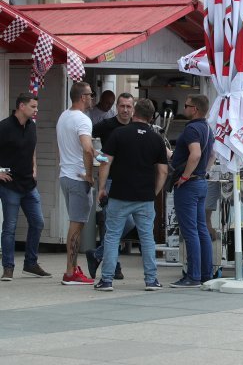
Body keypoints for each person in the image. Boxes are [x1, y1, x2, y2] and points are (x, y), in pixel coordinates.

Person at [93, 99, 168, 292]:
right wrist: (154, 192)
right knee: (147, 238)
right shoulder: (157, 139)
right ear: (151, 117)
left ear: (134, 111)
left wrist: (102, 187)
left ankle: (107, 280)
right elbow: (163, 172)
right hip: (145, 196)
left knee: (112, 237)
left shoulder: (119, 134)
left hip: (119, 194)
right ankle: (151, 280)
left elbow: (105, 162)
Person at [0, 93, 50, 280]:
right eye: (33, 107)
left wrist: (34, 167)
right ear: (21, 106)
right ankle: (8, 267)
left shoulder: (31, 127)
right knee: (10, 227)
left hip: (29, 184)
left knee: (38, 222)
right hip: (10, 184)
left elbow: (32, 148)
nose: (36, 110)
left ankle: (30, 263)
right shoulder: (4, 127)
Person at [86, 92, 136, 280]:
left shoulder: (135, 126)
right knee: (112, 224)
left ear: (133, 108)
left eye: (128, 106)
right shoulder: (107, 125)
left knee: (127, 223)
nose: (125, 110)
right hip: (109, 180)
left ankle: (98, 254)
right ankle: (114, 265)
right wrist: (99, 157)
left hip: (129, 182)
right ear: (117, 107)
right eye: (122, 106)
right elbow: (85, 138)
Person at [170, 94, 214, 288]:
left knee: (190, 231)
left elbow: (195, 154)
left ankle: (193, 275)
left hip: (189, 185)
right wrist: (204, 171)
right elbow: (211, 154)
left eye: (186, 105)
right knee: (201, 229)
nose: (184, 108)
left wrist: (186, 176)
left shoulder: (191, 129)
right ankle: (205, 273)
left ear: (194, 109)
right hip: (201, 182)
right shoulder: (206, 128)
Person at [56, 81, 97, 285]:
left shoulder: (64, 116)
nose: (92, 97)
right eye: (90, 94)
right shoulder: (83, 120)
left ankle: (72, 269)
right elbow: (87, 148)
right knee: (76, 225)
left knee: (75, 223)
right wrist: (89, 175)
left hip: (65, 175)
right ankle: (70, 272)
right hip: (78, 177)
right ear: (83, 97)